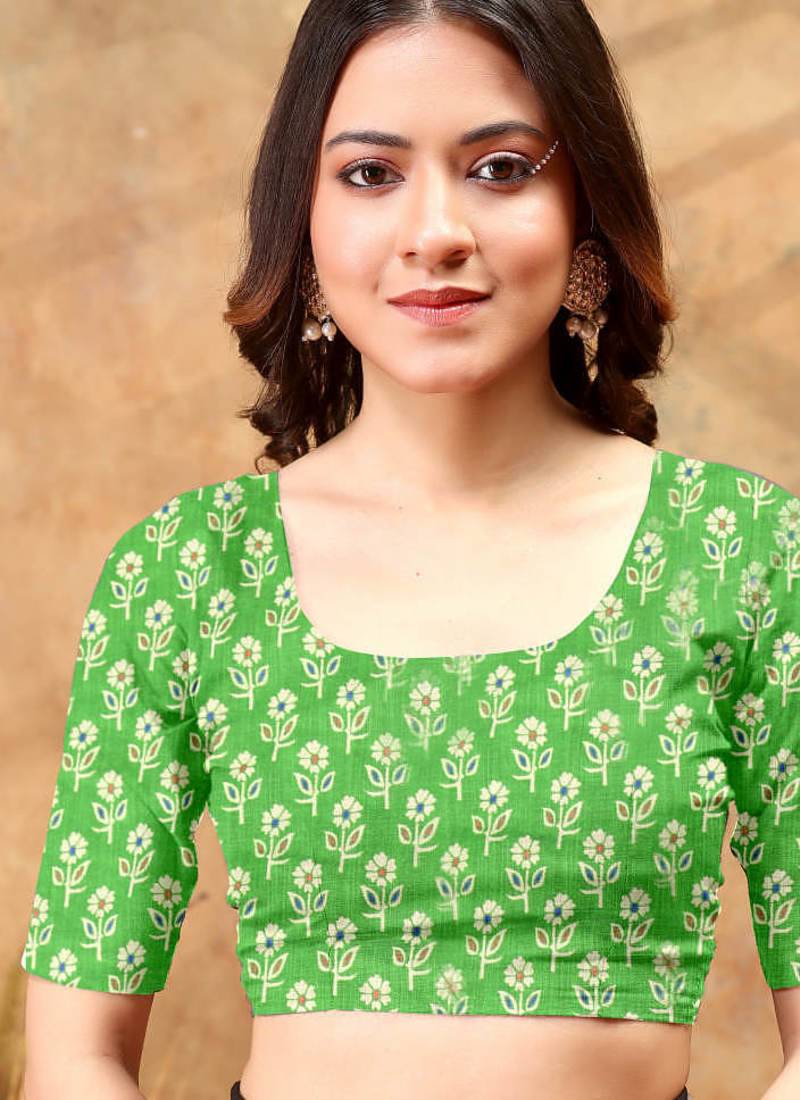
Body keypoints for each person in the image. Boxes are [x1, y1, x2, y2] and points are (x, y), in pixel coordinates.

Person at [20, 2, 800, 1098]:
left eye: (499, 167)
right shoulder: (189, 570)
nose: (435, 231)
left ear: (585, 208)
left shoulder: (742, 552)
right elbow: (75, 1055)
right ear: (303, 221)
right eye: (370, 174)